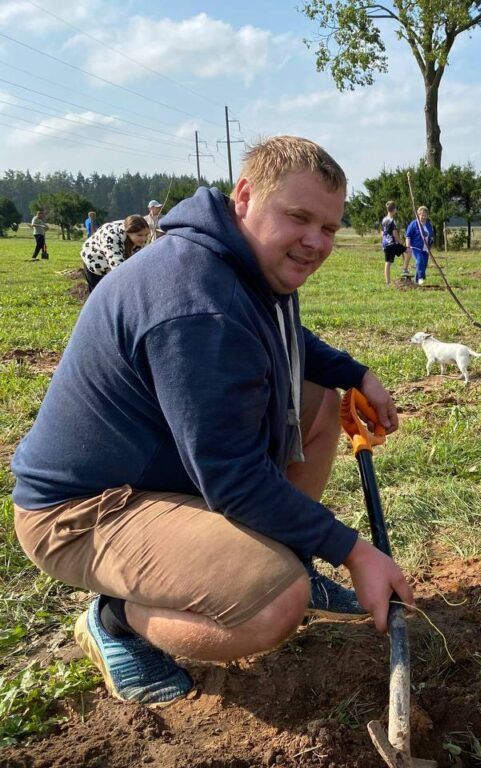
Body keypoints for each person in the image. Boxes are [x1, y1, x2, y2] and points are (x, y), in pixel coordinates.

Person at [11, 136, 413, 706]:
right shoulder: (196, 301)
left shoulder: (243, 261)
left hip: (160, 475)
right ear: (245, 196)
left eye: (328, 226)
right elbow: (233, 478)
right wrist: (354, 550)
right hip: (83, 509)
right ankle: (116, 619)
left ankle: (277, 557)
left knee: (320, 395)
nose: (315, 242)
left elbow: (285, 339)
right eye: (299, 218)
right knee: (276, 602)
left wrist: (357, 373)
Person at [80, 215, 150, 292]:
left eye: (146, 235)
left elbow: (141, 261)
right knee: (98, 293)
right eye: (139, 235)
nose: (144, 238)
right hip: (94, 260)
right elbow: (118, 269)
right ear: (128, 232)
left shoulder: (140, 239)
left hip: (114, 260)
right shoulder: (112, 238)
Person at [405, 205, 435, 285]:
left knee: (424, 265)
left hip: (426, 248)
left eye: (424, 215)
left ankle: (417, 282)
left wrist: (431, 239)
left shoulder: (428, 224)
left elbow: (431, 235)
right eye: (421, 215)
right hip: (416, 247)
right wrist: (408, 247)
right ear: (418, 215)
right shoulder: (414, 224)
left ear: (427, 215)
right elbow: (408, 236)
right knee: (419, 260)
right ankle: (421, 278)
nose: (423, 217)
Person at [380, 201, 407, 286]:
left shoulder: (384, 219)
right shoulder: (392, 221)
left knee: (387, 263)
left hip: (385, 244)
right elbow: (395, 234)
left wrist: (385, 239)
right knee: (408, 251)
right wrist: (400, 242)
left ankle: (388, 283)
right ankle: (405, 270)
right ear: (394, 209)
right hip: (392, 243)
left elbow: (381, 232)